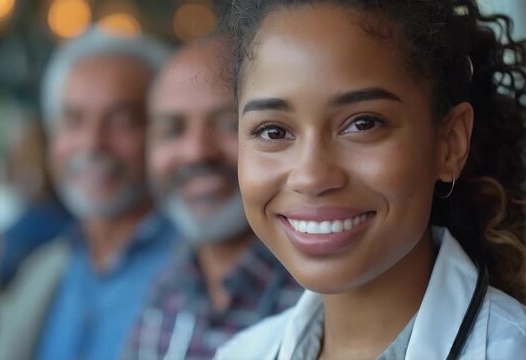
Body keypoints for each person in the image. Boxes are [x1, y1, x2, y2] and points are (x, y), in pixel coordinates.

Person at [216, 1, 526, 359]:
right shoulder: (240, 353)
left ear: (450, 143)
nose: (312, 176)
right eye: (273, 131)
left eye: (363, 124)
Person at [0, 30, 177, 360]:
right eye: (73, 120)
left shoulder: (200, 270)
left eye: (121, 121)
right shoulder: (45, 269)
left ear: (163, 132)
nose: (91, 143)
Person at [122, 37, 301, 360]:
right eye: (173, 130)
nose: (196, 152)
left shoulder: (320, 294)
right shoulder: (164, 290)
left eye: (228, 124)